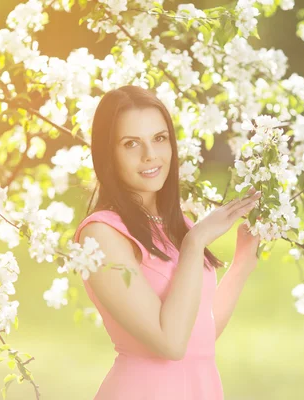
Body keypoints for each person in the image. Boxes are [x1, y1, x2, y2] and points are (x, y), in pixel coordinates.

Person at [73, 85, 262, 400]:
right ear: (108, 154)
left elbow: (199, 332)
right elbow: (171, 344)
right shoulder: (101, 235)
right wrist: (196, 241)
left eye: (159, 138)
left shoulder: (177, 226)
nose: (150, 155)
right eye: (131, 143)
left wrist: (243, 263)